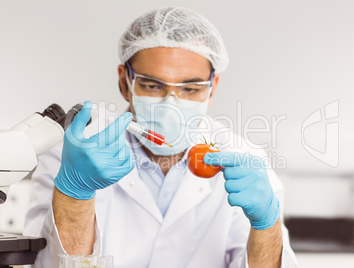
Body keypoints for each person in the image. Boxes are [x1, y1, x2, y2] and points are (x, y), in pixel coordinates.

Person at [24, 7, 298, 268]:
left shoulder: (246, 161)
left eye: (191, 88)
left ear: (212, 88)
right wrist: (75, 194)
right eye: (153, 85)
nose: (171, 104)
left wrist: (267, 225)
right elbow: (49, 264)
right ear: (125, 82)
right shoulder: (72, 153)